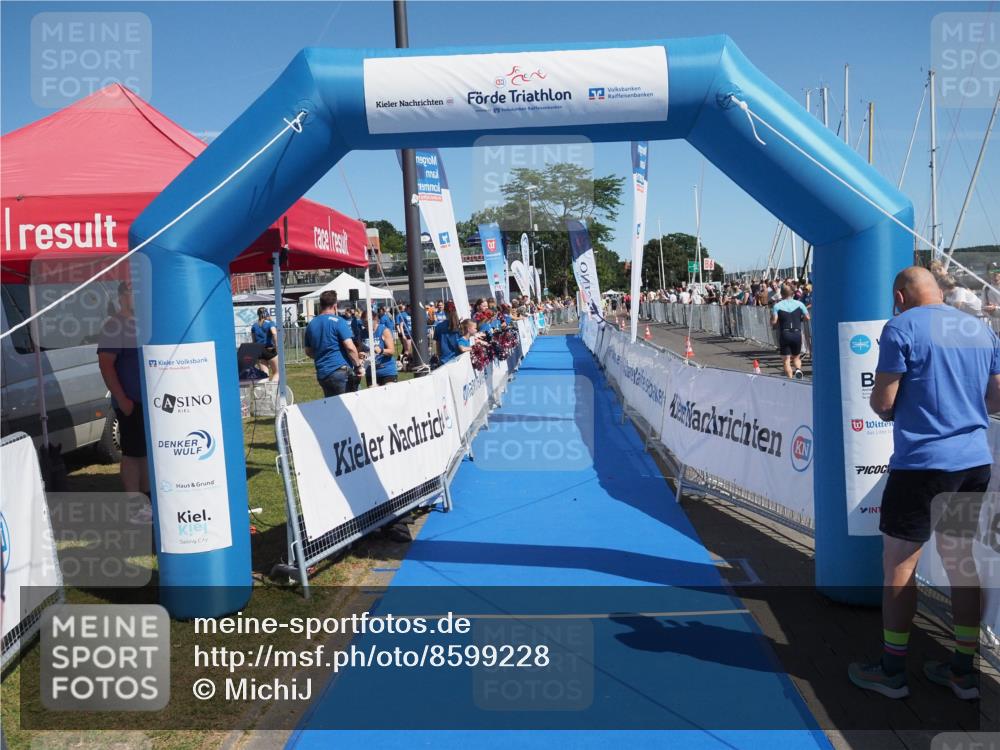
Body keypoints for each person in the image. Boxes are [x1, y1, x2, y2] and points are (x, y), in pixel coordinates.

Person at [849, 266, 1000, 700]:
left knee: (899, 564)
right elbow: (996, 398)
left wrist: (904, 411)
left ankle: (892, 671)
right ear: (938, 290)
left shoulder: (900, 328)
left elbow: (883, 401)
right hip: (973, 461)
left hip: (921, 465)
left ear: (900, 296)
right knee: (960, 561)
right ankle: (962, 671)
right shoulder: (979, 328)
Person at [97, 281, 151, 522]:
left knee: (146, 453)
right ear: (121, 296)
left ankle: (147, 502)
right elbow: (106, 365)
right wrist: (122, 399)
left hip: (150, 401)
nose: (135, 297)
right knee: (132, 454)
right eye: (131, 292)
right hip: (130, 401)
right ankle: (134, 506)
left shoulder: (143, 324)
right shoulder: (114, 326)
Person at [304, 291, 364, 397]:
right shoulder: (338, 321)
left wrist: (322, 355)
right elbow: (350, 347)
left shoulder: (311, 324)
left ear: (320, 305)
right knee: (352, 406)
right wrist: (358, 366)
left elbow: (308, 351)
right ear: (335, 305)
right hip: (340, 372)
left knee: (333, 408)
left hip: (323, 374)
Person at [770, 283, 810, 379]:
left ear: (782, 294)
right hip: (797, 333)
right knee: (796, 357)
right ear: (792, 293)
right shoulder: (800, 304)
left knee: (786, 360)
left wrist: (772, 321)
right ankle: (798, 370)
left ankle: (790, 379)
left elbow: (774, 321)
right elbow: (807, 317)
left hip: (785, 333)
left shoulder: (777, 306)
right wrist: (799, 318)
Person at [367, 309, 398, 387]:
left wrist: (381, 350)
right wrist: (361, 354)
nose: (365, 325)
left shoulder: (384, 330)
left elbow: (392, 351)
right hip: (371, 372)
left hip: (387, 370)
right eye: (363, 322)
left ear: (374, 320)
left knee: (389, 395)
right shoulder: (363, 333)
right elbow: (360, 350)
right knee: (373, 397)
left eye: (367, 322)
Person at [250, 307, 279, 381]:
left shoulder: (254, 326)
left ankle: (265, 391)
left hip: (259, 351)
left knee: (265, 375)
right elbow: (274, 334)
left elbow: (254, 341)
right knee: (276, 372)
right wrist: (276, 346)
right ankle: (272, 390)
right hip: (269, 350)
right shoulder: (270, 323)